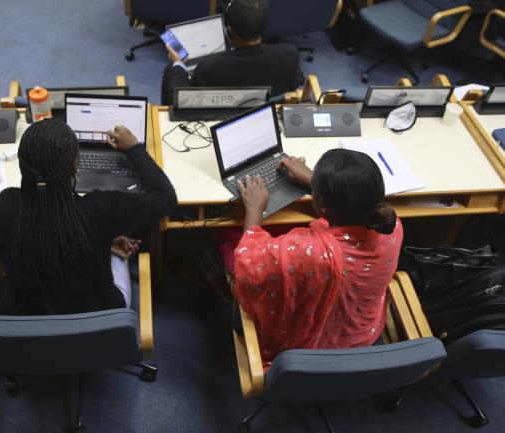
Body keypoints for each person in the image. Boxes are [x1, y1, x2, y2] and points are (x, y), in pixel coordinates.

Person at [232, 149, 403, 367]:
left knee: (227, 247)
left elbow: (248, 268)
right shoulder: (391, 226)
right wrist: (317, 182)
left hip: (311, 353)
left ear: (321, 204)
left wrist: (255, 209)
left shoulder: (311, 253)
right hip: (363, 339)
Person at [0, 118, 177, 315]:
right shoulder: (99, 210)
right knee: (121, 259)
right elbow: (165, 198)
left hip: (24, 325)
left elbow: (45, 233)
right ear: (75, 165)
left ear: (22, 165)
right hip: (99, 320)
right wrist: (134, 148)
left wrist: (101, 236)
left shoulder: (4, 206)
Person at [160, 0, 303, 105]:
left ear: (229, 32)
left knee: (171, 70)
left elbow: (180, 98)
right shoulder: (289, 54)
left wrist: (178, 63)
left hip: (216, 120)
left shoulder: (211, 67)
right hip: (266, 114)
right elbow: (296, 82)